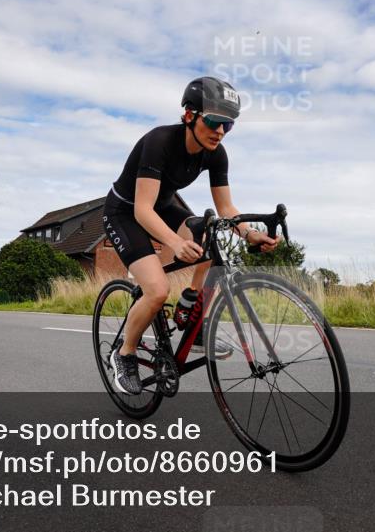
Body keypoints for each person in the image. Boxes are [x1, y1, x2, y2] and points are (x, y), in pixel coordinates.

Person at [102, 76, 280, 395]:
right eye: (214, 121)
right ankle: (124, 353)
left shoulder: (216, 153)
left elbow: (225, 208)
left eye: (229, 124)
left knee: (207, 231)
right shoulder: (160, 142)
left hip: (163, 206)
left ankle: (190, 308)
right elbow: (143, 210)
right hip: (126, 211)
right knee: (156, 290)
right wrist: (174, 242)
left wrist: (249, 234)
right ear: (189, 115)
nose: (220, 131)